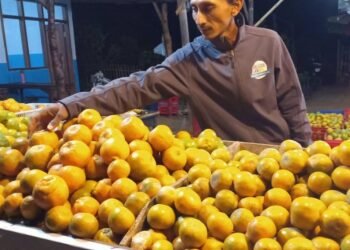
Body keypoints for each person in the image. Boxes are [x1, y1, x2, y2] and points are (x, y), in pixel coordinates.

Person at [30, 0, 311, 146]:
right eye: (194, 10)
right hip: (230, 166)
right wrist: (69, 105)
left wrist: (304, 148)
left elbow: (291, 100)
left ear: (235, 6)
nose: (199, 19)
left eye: (208, 8)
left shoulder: (268, 42)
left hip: (279, 156)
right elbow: (136, 86)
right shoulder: (189, 61)